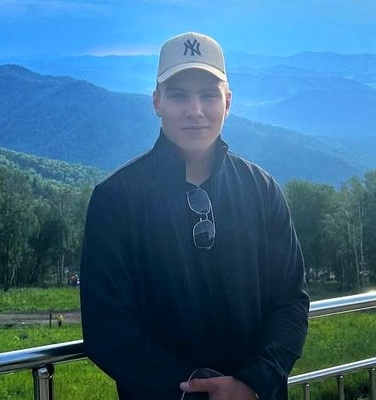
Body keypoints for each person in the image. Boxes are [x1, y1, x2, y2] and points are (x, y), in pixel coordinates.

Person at [80, 32, 309, 400]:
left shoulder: (262, 190)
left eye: (208, 95)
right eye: (178, 95)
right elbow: (108, 328)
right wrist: (194, 389)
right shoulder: (116, 201)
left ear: (228, 101)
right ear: (157, 102)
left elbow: (290, 301)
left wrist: (254, 382)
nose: (195, 110)